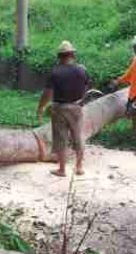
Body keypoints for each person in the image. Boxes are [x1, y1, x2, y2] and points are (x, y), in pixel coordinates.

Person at [36, 41, 90, 177]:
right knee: (78, 136)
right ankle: (79, 167)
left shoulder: (55, 72)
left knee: (61, 138)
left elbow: (47, 93)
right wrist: (80, 102)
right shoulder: (82, 70)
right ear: (72, 54)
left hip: (59, 108)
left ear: (59, 56)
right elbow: (86, 89)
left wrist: (41, 107)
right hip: (76, 107)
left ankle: (62, 169)